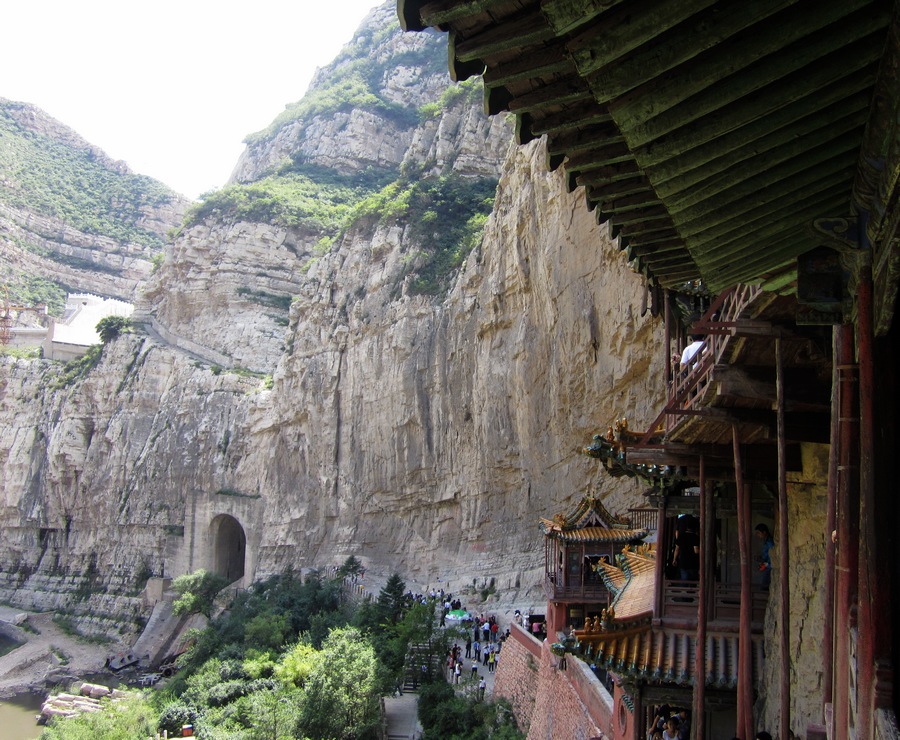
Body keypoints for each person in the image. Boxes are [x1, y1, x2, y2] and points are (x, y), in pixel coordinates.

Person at [755, 523, 774, 588]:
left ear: (764, 532)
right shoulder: (766, 541)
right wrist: (761, 558)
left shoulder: (770, 542)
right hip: (767, 566)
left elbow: (773, 557)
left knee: (764, 587)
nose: (757, 535)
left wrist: (765, 564)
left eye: (758, 533)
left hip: (770, 567)